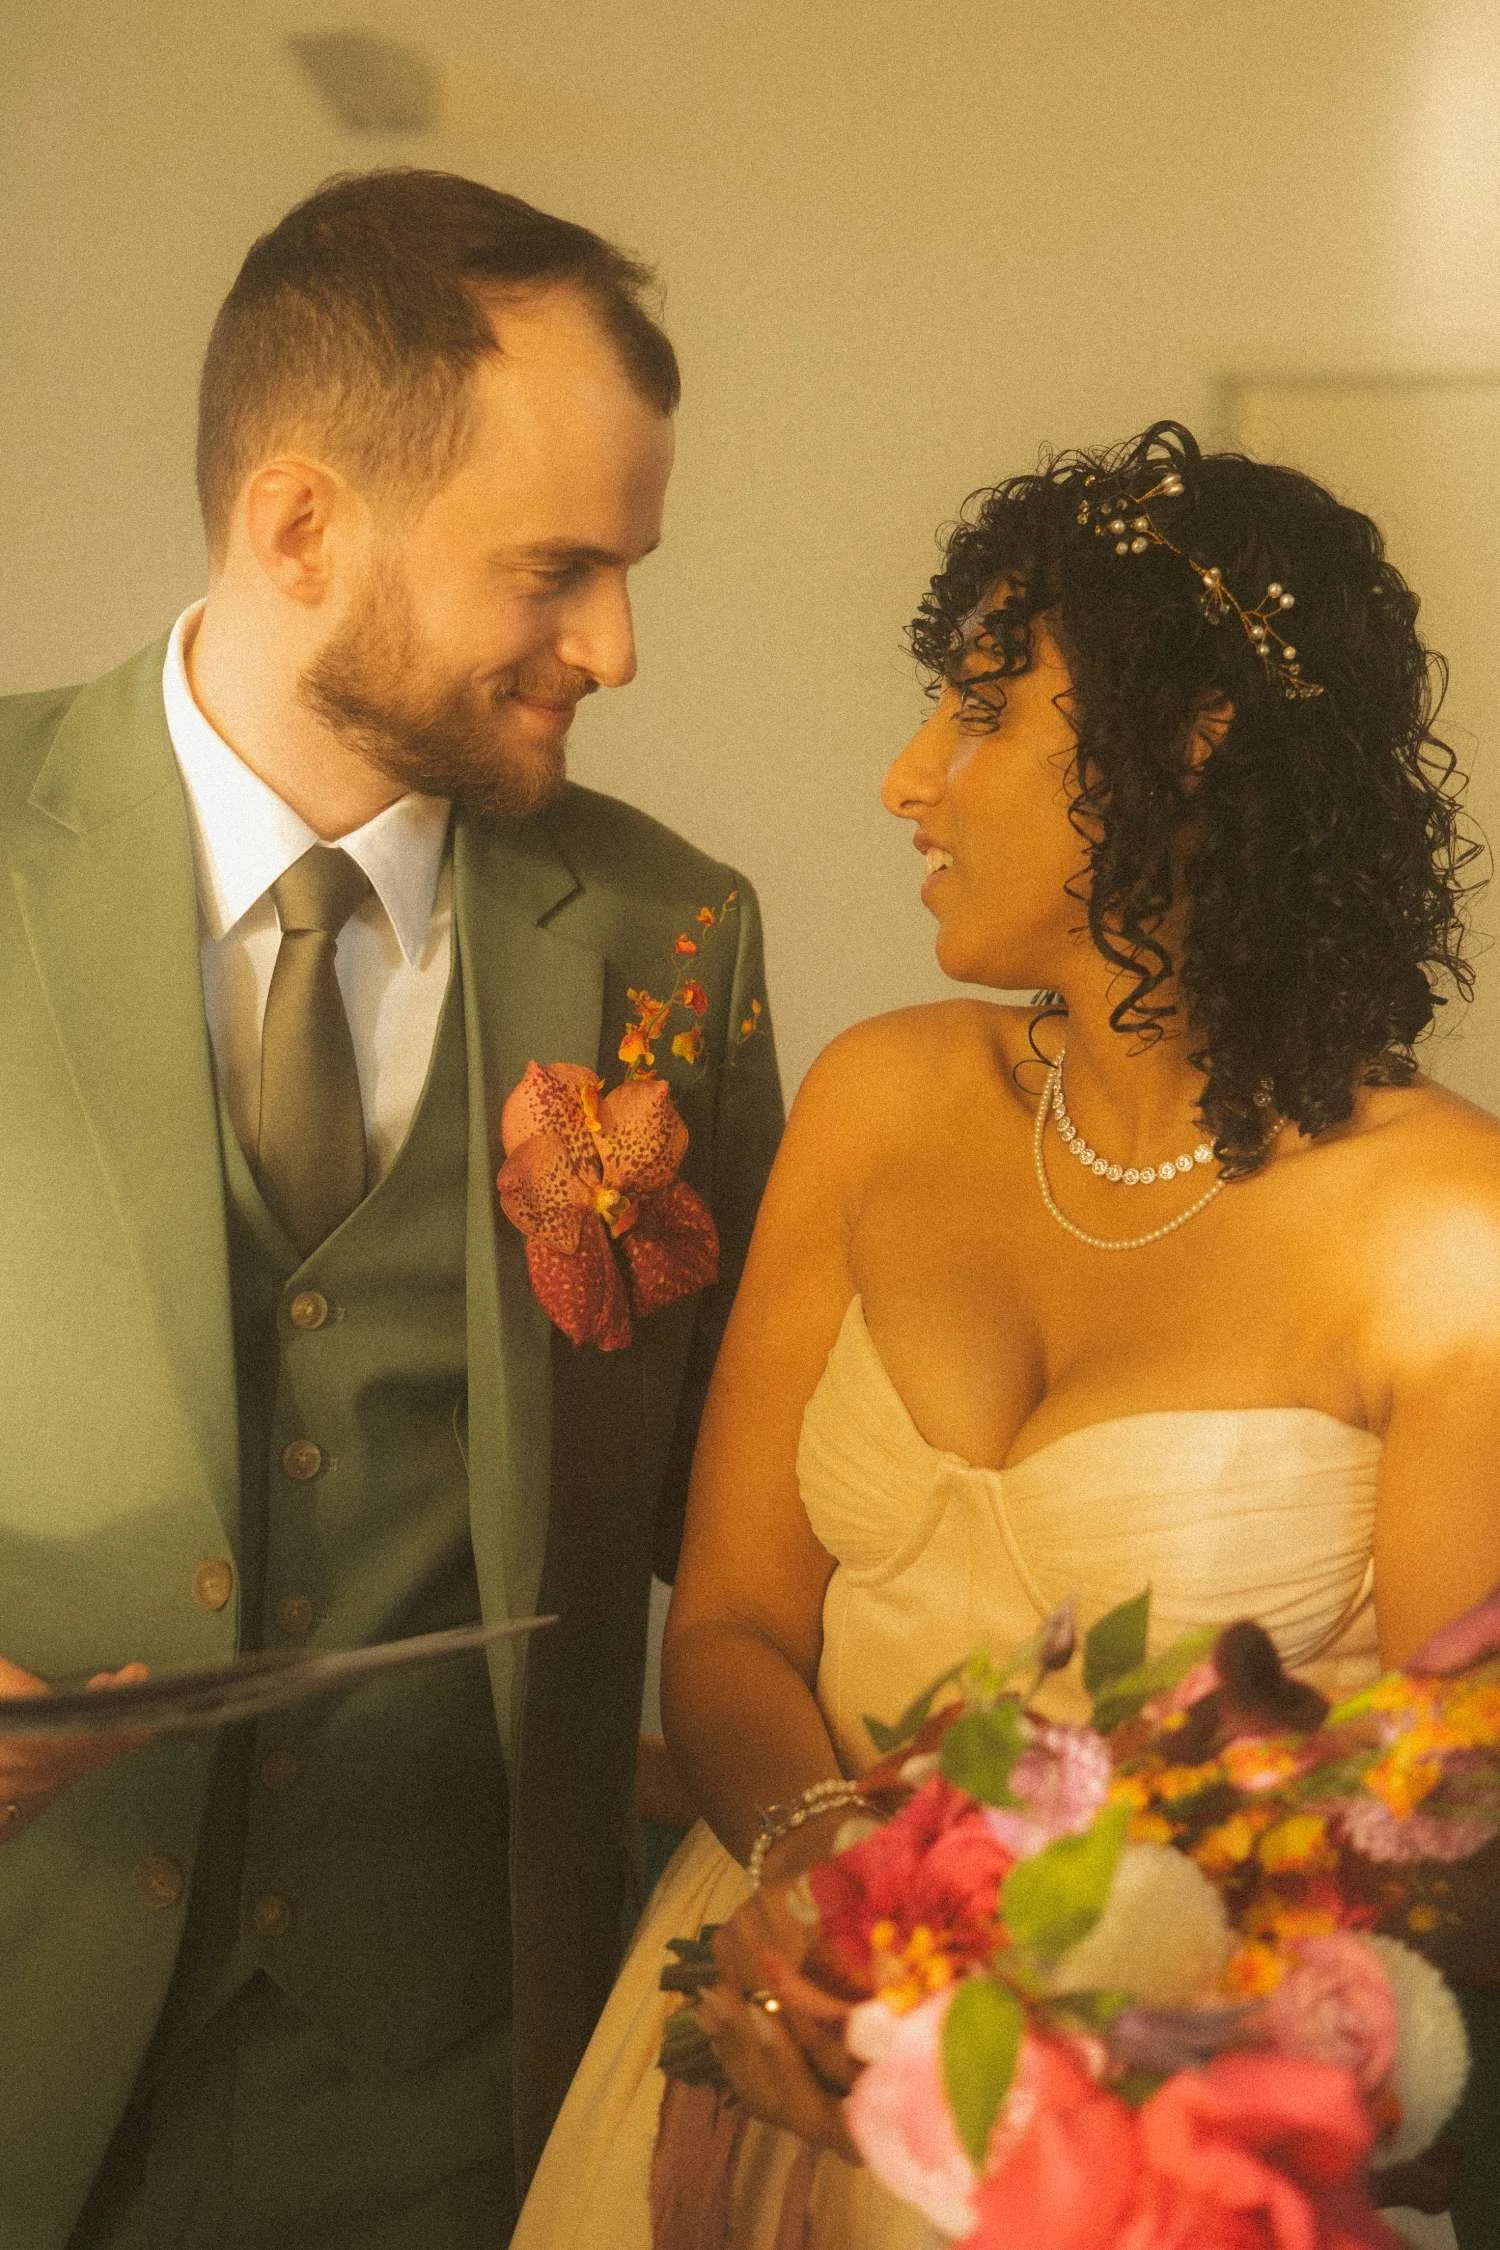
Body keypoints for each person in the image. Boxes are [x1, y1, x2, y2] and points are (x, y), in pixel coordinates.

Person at [512, 420, 1500, 2249]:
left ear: (1188, 737)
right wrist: (828, 1880)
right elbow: (729, 1620)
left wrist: (1023, 2015)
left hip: (1152, 2136)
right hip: (769, 2035)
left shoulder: (1445, 1229)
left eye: (978, 714)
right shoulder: (883, 1101)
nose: (909, 777)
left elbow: (1454, 1844)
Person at [0, 168, 782, 2249]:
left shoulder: (666, 939)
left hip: (471, 2095)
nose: (614, 645)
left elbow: (758, 1517)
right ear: (297, 525)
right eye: (556, 570)